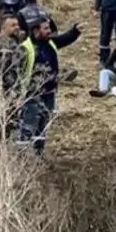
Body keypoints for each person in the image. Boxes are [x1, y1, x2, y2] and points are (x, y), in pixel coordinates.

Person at [15, 18, 84, 155]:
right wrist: (18, 95)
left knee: (44, 123)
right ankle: (21, 156)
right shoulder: (26, 48)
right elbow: (18, 73)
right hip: (32, 94)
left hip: (49, 92)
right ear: (36, 31)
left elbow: (64, 39)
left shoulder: (50, 43)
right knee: (29, 124)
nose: (49, 31)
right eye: (45, 28)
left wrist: (75, 30)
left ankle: (38, 154)